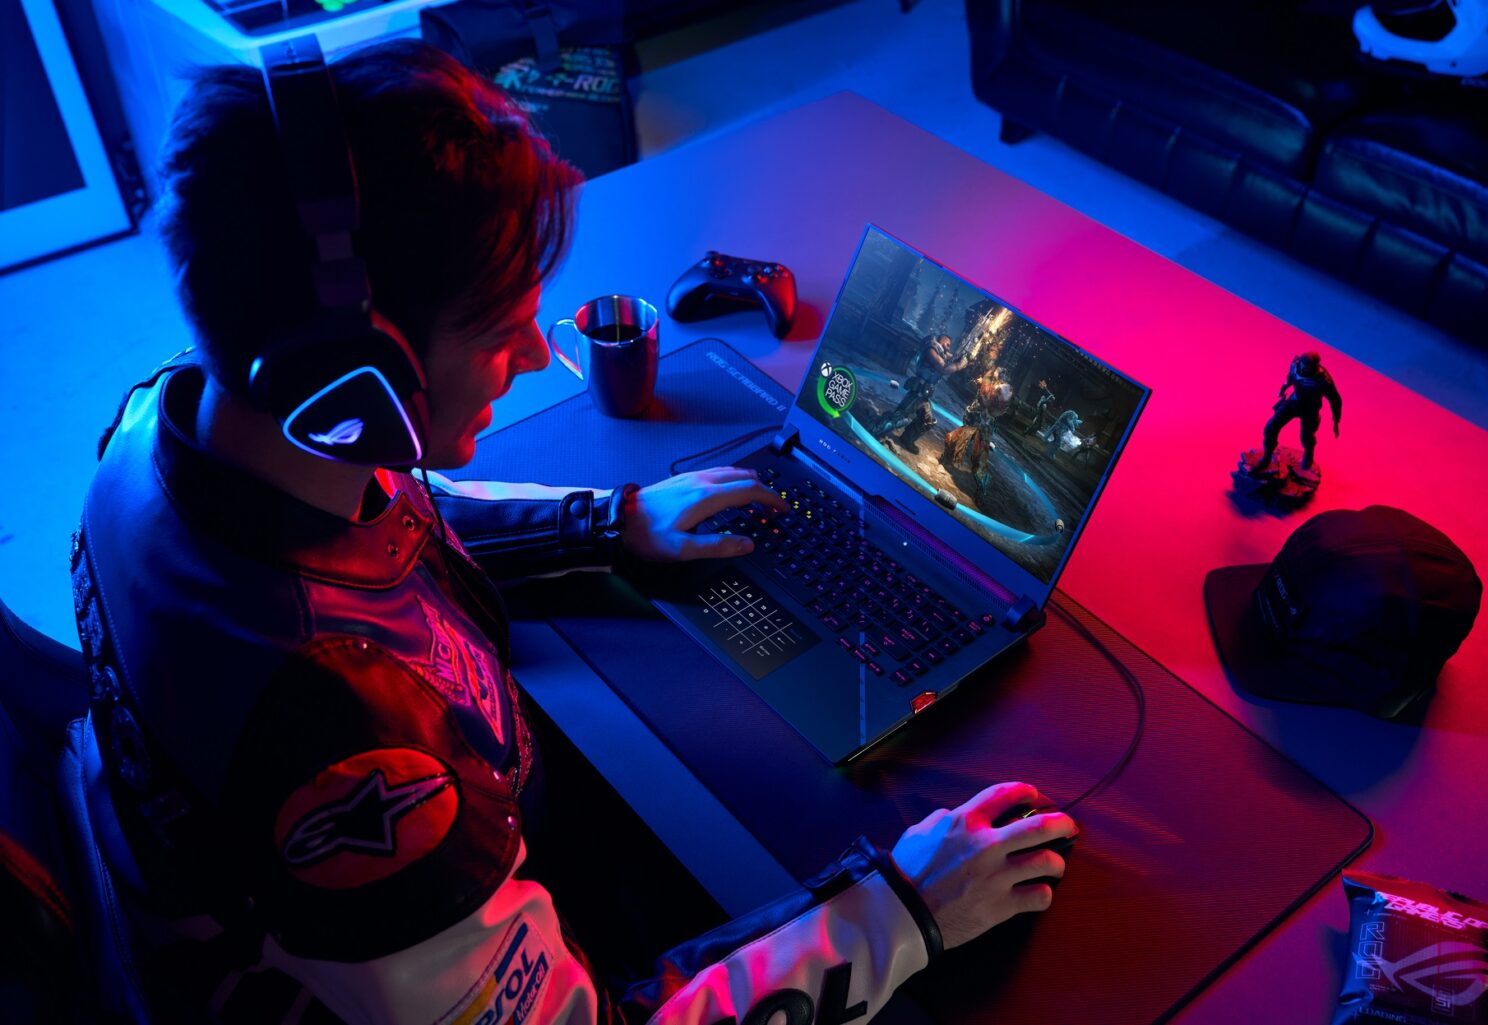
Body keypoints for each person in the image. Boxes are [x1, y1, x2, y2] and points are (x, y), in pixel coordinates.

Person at [67, 42, 1075, 1025]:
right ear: (357, 379)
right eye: (498, 330)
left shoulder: (168, 428)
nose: (532, 357)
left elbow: (390, 512)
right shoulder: (352, 754)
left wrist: (610, 521)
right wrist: (900, 915)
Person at [872, 333, 972, 452]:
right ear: (942, 341)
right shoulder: (931, 349)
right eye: (947, 344)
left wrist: (962, 357)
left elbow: (950, 357)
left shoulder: (939, 351)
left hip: (924, 394)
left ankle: (907, 439)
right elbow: (943, 368)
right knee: (902, 417)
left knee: (926, 420)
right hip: (918, 391)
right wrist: (959, 365)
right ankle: (876, 429)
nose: (948, 348)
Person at [1254, 351, 1343, 472]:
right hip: (1294, 402)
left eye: (1310, 366)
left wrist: (1336, 419)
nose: (1306, 368)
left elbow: (1335, 400)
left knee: (1306, 436)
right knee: (1271, 427)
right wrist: (1284, 387)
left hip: (1310, 410)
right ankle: (1267, 458)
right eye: (1304, 365)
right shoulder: (1295, 366)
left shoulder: (1323, 380)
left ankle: (1308, 455)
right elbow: (1290, 377)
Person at [943, 367, 1013, 506]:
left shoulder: (1003, 390)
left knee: (980, 459)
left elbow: (994, 409)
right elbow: (983, 399)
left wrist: (988, 393)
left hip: (985, 424)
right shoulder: (990, 383)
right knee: (957, 439)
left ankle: (981, 491)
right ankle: (946, 457)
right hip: (975, 418)